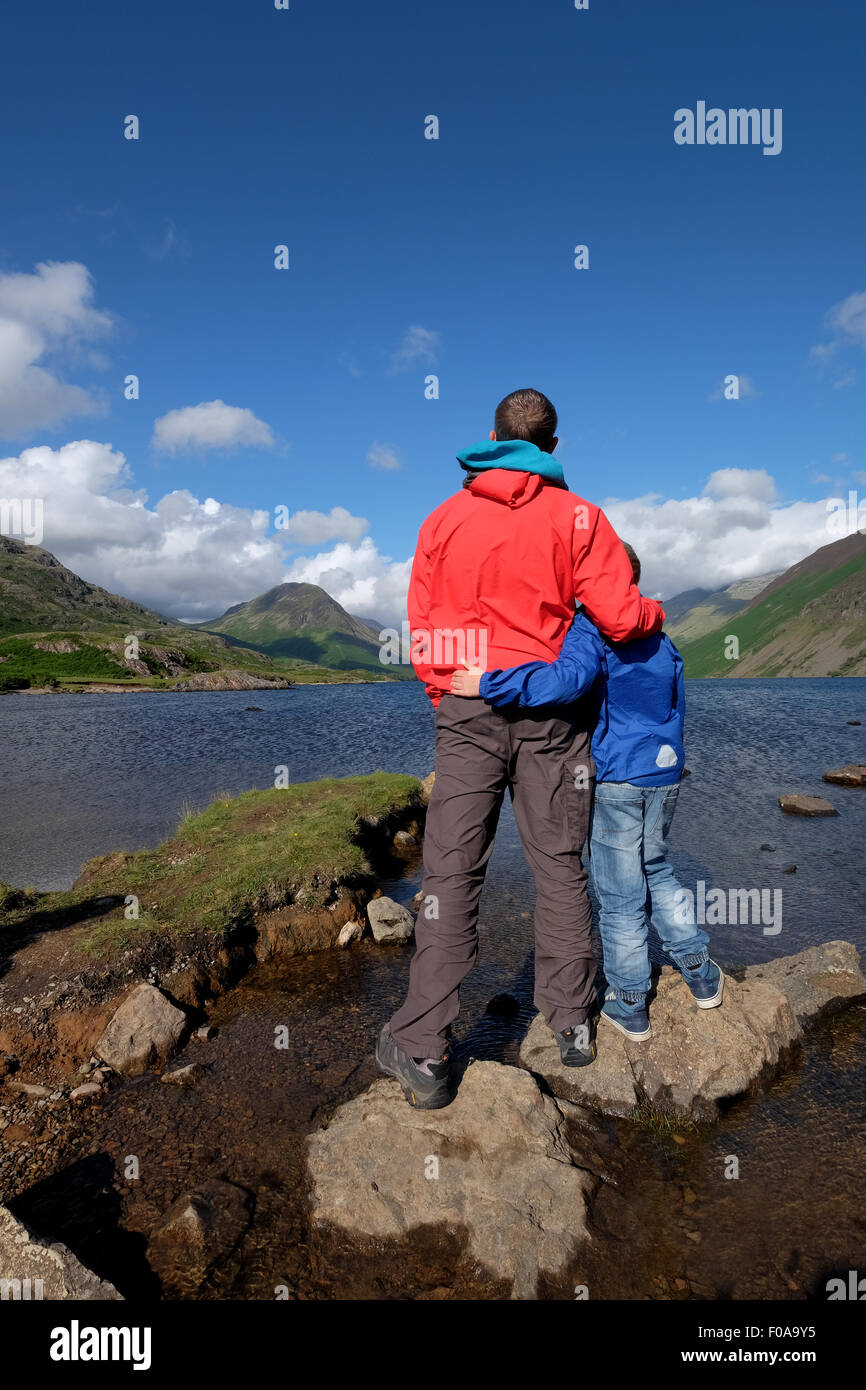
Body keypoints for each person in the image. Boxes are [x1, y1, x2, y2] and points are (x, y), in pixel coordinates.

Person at [375, 389, 665, 1108]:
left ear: (492, 436)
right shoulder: (581, 518)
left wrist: (446, 695)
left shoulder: (442, 519)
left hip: (469, 713)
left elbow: (425, 630)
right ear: (552, 447)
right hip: (555, 722)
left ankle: (424, 1050)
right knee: (560, 867)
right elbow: (623, 619)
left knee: (448, 879)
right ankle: (571, 1023)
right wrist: (656, 611)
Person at [451, 542, 723, 1044]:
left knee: (619, 896)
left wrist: (488, 684)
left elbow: (563, 680)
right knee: (657, 870)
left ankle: (630, 1002)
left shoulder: (592, 628)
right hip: (664, 772)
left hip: (618, 776)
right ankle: (701, 973)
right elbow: (675, 703)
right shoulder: (658, 632)